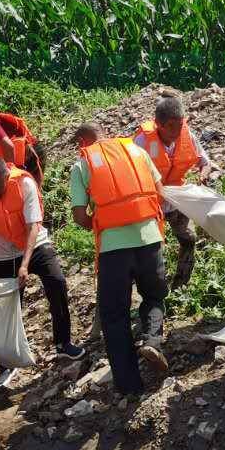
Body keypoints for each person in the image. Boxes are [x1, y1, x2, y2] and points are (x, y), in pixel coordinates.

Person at [70, 123, 170, 396]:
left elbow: (79, 216)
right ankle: (151, 341)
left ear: (82, 141)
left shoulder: (83, 164)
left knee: (114, 315)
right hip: (150, 240)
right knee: (154, 296)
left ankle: (129, 385)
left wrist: (106, 224)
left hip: (114, 250)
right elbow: (160, 194)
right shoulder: (137, 151)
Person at [0, 156, 84, 388]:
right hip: (2, 253)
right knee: (3, 304)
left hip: (35, 244)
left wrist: (25, 264)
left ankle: (63, 344)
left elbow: (33, 226)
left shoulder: (24, 184)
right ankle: (7, 364)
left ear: (6, 176)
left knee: (57, 282)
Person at [132, 93, 215, 290]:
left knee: (188, 239)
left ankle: (181, 285)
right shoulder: (142, 142)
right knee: (152, 248)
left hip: (177, 198)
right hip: (151, 203)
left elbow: (205, 161)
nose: (177, 132)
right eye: (171, 127)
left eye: (180, 125)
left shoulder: (186, 135)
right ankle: (153, 289)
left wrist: (203, 174)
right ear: (158, 124)